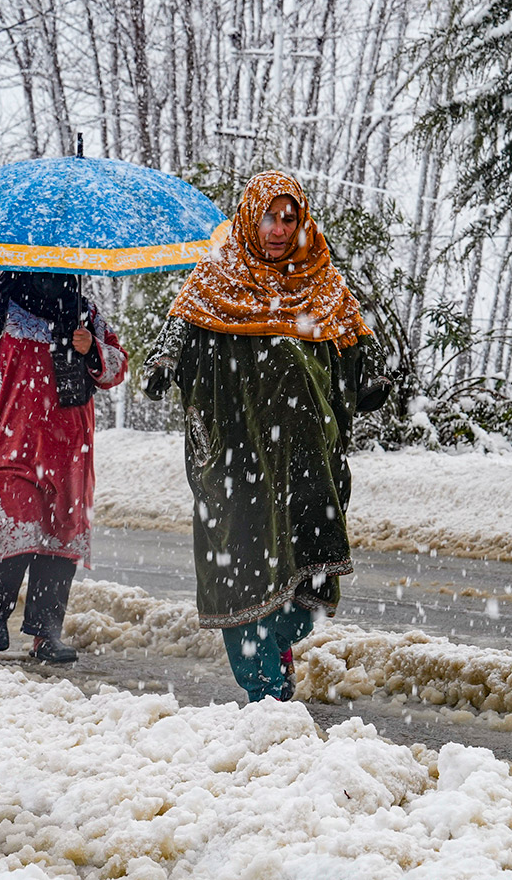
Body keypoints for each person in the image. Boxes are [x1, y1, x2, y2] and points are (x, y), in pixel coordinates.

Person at [141, 170, 390, 702]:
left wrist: (370, 380)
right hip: (237, 458)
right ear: (249, 218)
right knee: (245, 566)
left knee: (309, 583)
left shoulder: (322, 282)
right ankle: (264, 692)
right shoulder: (215, 280)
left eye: (289, 218)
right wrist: (164, 362)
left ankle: (280, 642)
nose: (278, 229)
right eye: (268, 217)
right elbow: (171, 340)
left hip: (305, 459)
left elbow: (360, 355)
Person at [0, 270, 127, 663]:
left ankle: (46, 635)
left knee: (60, 542)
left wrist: (92, 347)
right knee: (14, 529)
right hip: (6, 445)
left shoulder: (84, 314)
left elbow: (118, 368)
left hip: (69, 450)